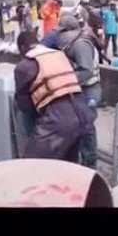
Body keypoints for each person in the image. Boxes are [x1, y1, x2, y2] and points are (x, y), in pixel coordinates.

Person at [14, 30, 94, 163]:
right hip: (83, 115)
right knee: (68, 164)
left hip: (58, 120)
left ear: (22, 48)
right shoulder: (59, 54)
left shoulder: (24, 66)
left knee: (31, 164)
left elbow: (24, 106)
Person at [55, 15, 102, 168]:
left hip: (89, 90)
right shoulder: (73, 43)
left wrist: (64, 79)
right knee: (78, 125)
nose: (59, 36)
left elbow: (86, 71)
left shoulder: (80, 45)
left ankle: (90, 162)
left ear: (70, 31)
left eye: (61, 32)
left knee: (86, 127)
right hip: (81, 89)